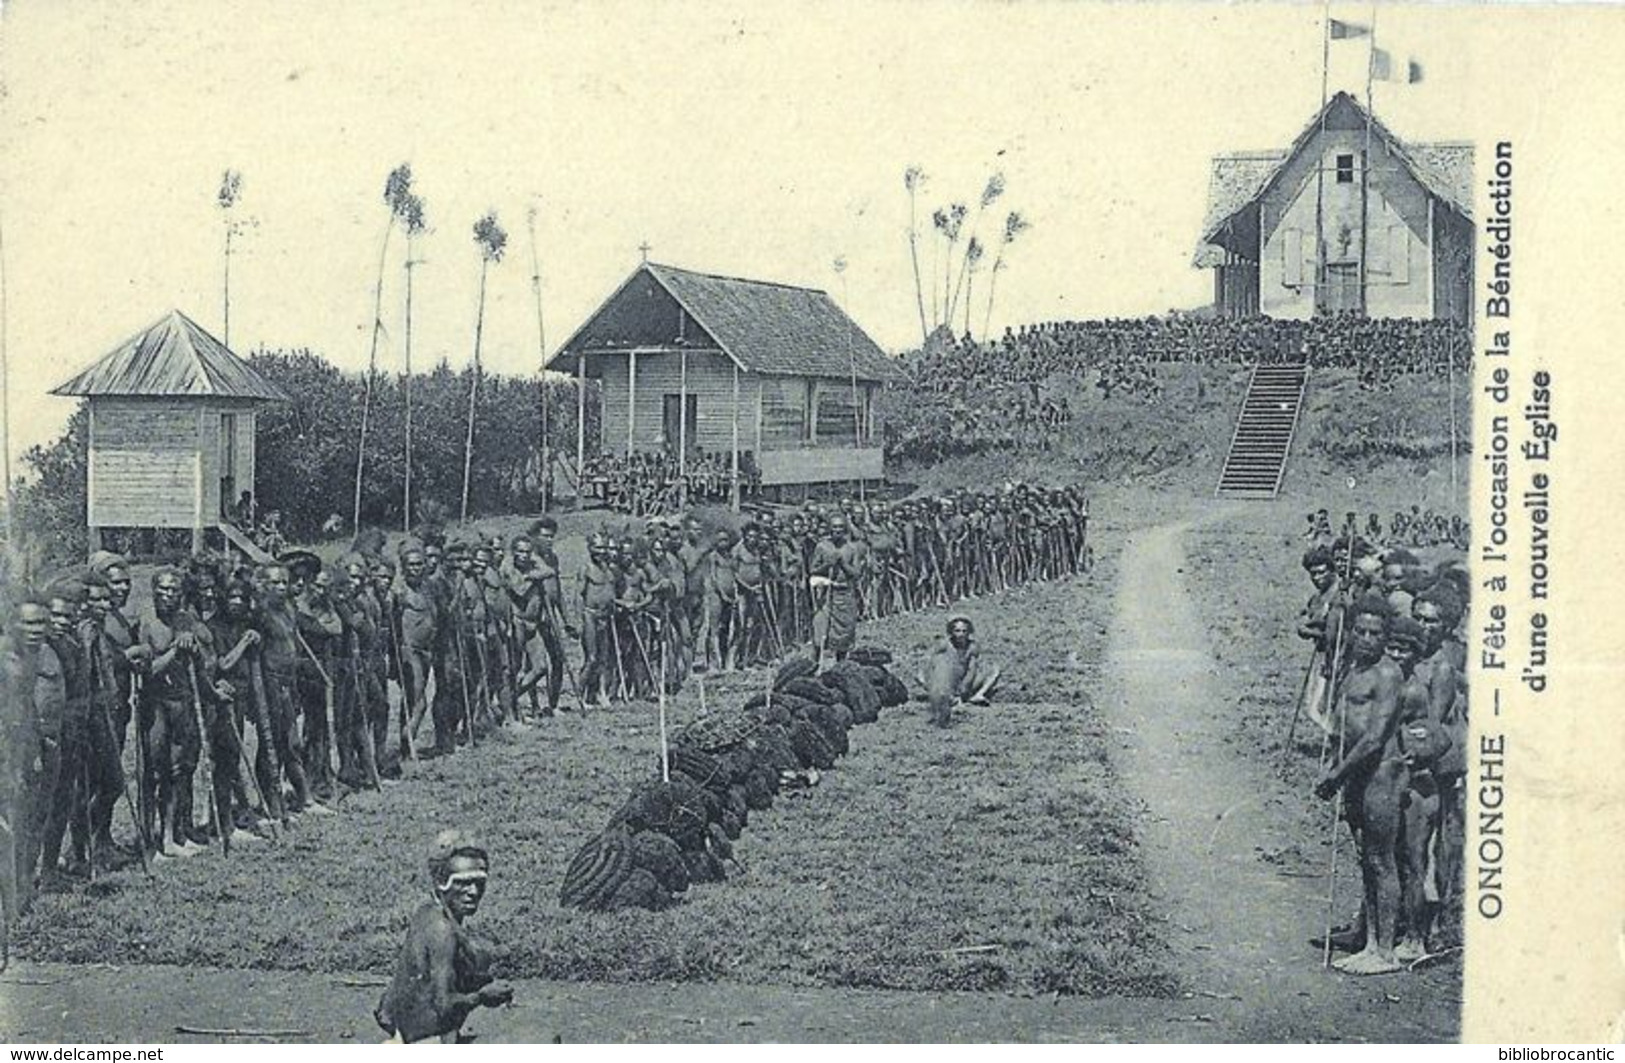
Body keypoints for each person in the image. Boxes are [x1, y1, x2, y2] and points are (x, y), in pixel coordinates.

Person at [1313, 594, 1406, 975]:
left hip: (1380, 773)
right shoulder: (1352, 667)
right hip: (1354, 773)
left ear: (1386, 637)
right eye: (1361, 631)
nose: (1367, 639)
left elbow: (1374, 737)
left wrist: (1337, 774)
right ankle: (1368, 939)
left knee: (1382, 859)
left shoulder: (1388, 674)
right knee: (1365, 857)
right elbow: (1342, 725)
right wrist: (1336, 767)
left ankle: (1384, 951)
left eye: (1375, 633)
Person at [375, 830, 512, 1044]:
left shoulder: (427, 911)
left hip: (407, 1034)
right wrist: (482, 997)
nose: (473, 891)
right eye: (463, 882)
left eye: (479, 882)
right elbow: (444, 1006)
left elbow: (386, 1008)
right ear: (442, 881)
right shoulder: (443, 931)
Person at [925, 615, 1001, 728]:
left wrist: (963, 690)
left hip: (964, 681)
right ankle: (946, 698)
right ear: (951, 631)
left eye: (964, 631)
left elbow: (972, 669)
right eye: (957, 631)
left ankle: (978, 695)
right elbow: (931, 665)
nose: (961, 634)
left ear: (969, 632)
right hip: (947, 681)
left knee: (995, 669)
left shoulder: (972, 647)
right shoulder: (944, 645)